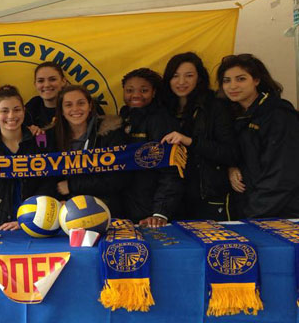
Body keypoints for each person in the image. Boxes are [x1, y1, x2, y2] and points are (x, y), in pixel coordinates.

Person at [217, 54, 299, 218]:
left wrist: (253, 214)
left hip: (281, 212)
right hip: (252, 207)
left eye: (241, 79)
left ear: (256, 80)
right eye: (226, 80)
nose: (233, 86)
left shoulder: (278, 114)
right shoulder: (234, 115)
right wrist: (231, 167)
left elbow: (282, 173)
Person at [159, 52, 239, 220]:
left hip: (208, 198)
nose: (181, 82)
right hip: (172, 200)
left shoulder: (215, 107)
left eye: (189, 75)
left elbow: (230, 153)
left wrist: (189, 141)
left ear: (199, 78)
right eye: (175, 76)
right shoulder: (163, 109)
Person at [0, 85, 55, 230]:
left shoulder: (41, 142)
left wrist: (27, 219)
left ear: (24, 112)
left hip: (37, 224)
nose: (11, 116)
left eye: (17, 110)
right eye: (4, 111)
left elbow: (49, 184)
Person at [119, 68, 183, 227]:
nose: (136, 95)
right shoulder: (123, 116)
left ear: (154, 92)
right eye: (129, 90)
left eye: (144, 90)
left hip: (150, 212)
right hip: (126, 207)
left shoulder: (161, 120)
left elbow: (171, 170)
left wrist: (160, 212)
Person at [52, 85, 127, 217]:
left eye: (81, 103)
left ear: (90, 106)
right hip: (64, 211)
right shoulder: (50, 137)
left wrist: (72, 186)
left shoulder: (110, 135)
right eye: (68, 105)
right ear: (61, 111)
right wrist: (58, 200)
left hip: (104, 209)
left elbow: (117, 180)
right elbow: (47, 177)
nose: (75, 109)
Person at [25, 61, 67, 130]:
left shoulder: (72, 107)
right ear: (35, 84)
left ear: (63, 81)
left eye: (52, 79)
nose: (47, 85)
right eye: (41, 81)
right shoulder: (33, 106)